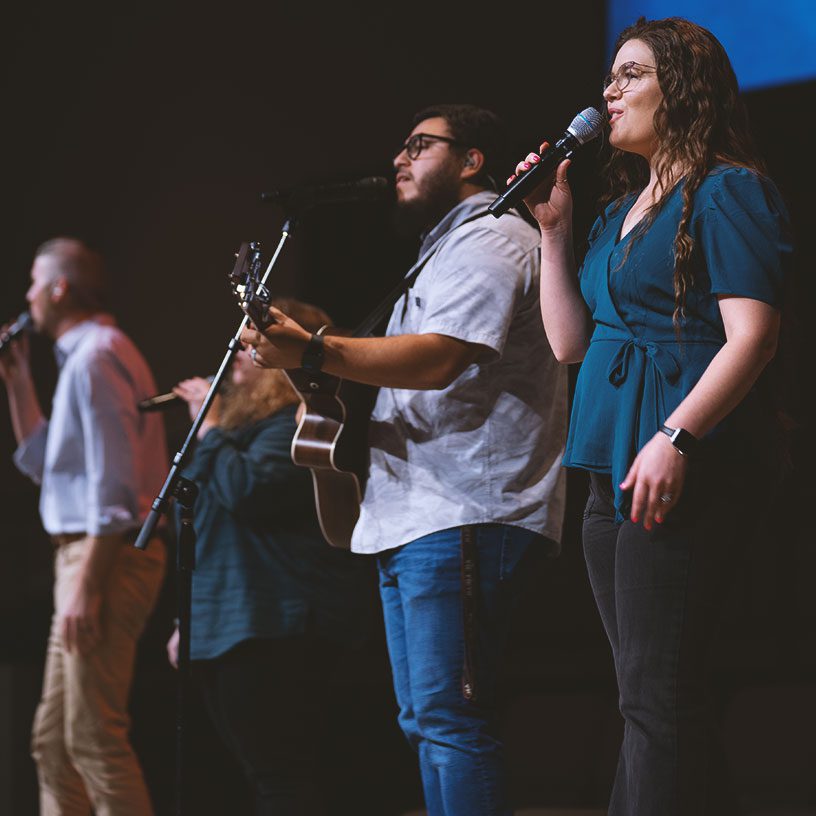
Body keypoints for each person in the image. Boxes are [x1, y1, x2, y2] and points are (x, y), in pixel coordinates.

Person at [241, 104, 567, 816]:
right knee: (427, 723)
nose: (399, 159)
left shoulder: (487, 239)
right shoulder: (445, 247)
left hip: (466, 510)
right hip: (424, 512)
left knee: (450, 722)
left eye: (419, 145)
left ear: (473, 158)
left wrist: (317, 350)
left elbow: (439, 358)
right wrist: (310, 369)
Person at [513, 17, 792, 815]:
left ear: (685, 88)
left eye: (631, 74)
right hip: (611, 469)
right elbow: (571, 342)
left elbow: (754, 337)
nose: (609, 92)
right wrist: (555, 231)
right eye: (610, 75)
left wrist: (677, 436)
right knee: (651, 694)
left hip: (681, 466)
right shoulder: (619, 211)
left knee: (656, 697)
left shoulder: (728, 189)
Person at [165, 298, 373, 816]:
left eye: (249, 343)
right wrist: (188, 619)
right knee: (259, 775)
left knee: (280, 775)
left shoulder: (294, 424)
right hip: (227, 621)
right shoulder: (240, 432)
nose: (235, 352)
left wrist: (208, 428)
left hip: (273, 623)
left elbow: (249, 492)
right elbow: (206, 530)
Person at [0, 238, 168, 815]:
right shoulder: (84, 357)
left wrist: (88, 585)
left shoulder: (96, 355)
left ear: (59, 287)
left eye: (32, 282)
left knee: (93, 737)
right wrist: (17, 379)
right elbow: (49, 465)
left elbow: (116, 488)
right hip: (86, 557)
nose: (26, 296)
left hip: (104, 557)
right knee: (53, 742)